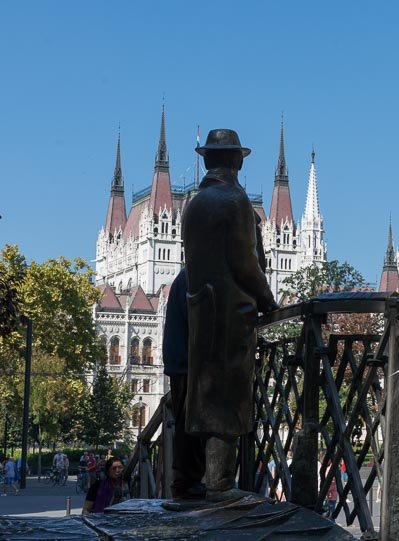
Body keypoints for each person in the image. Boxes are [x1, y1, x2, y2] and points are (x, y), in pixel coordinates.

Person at [182, 129, 278, 502]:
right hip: (231, 312)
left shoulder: (195, 203)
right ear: (236, 161)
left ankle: (212, 479)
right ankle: (221, 484)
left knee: (208, 394)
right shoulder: (234, 200)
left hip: (200, 311)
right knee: (228, 395)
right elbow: (244, 262)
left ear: (207, 160)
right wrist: (267, 298)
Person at [162, 267, 206, 500]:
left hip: (181, 359)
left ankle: (186, 481)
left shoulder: (185, 276)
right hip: (189, 361)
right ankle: (186, 482)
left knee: (187, 420)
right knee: (191, 421)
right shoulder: (196, 276)